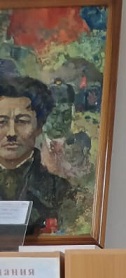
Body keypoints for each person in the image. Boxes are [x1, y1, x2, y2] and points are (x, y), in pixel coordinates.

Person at [0, 76, 74, 233]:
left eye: (22, 121)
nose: (11, 133)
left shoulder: (61, 192)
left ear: (39, 126)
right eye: (1, 122)